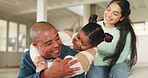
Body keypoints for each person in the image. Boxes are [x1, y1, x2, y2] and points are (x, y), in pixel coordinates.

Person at [29, 14, 113, 77]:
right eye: (78, 37)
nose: (78, 43)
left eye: (83, 44)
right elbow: (35, 45)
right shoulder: (70, 36)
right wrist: (40, 62)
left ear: (92, 46)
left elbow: (74, 66)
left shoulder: (91, 52)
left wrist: (47, 66)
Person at [86, 0, 137, 78]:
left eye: (115, 13)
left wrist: (100, 62)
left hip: (119, 61)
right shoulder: (95, 26)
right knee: (94, 75)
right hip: (98, 61)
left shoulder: (126, 33)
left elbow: (122, 56)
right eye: (108, 9)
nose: (109, 15)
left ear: (122, 17)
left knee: (118, 72)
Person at [18, 21, 84, 78]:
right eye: (49, 43)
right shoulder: (28, 57)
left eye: (57, 38)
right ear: (36, 46)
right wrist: (46, 75)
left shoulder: (70, 52)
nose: (56, 45)